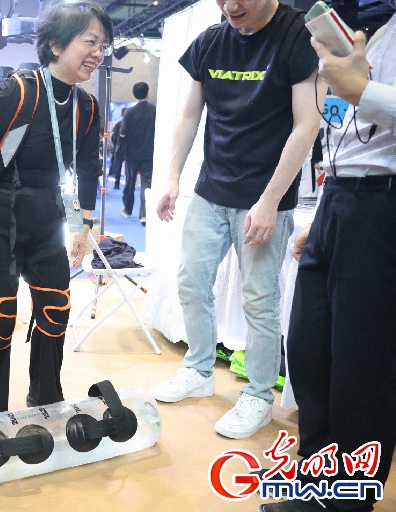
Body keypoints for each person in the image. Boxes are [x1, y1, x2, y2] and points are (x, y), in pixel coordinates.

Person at [151, 0, 324, 440]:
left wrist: (270, 200)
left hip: (265, 197)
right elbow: (190, 113)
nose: (230, 5)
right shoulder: (211, 40)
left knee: (259, 300)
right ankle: (198, 369)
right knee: (191, 282)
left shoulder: (296, 35)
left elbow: (307, 125)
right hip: (211, 190)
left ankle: (260, 395)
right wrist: (172, 177)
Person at [0, 1, 112, 414]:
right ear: (55, 44)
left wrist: (82, 226)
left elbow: (83, 171)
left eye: (103, 46)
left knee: (55, 310)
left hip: (49, 221)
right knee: (0, 318)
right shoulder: (19, 92)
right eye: (90, 41)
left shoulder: (87, 108)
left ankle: (46, 399)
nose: (98, 53)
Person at [262, 13, 396, 512]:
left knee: (363, 358)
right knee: (310, 347)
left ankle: (348, 499)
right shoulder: (374, 28)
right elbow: (344, 135)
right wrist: (322, 214)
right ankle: (319, 471)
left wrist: (362, 90)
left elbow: (365, 105)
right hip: (339, 195)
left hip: (384, 200)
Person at [119, 82, 155, 224]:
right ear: (148, 93)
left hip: (131, 154)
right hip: (149, 153)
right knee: (146, 184)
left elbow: (122, 134)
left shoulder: (129, 112)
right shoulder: (155, 111)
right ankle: (144, 214)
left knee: (130, 182)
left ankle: (128, 210)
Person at [109, 108, 126, 189]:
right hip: (130, 149)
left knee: (118, 166)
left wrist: (115, 145)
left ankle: (117, 184)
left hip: (119, 148)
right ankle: (128, 185)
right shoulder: (133, 124)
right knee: (129, 168)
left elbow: (114, 137)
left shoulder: (118, 124)